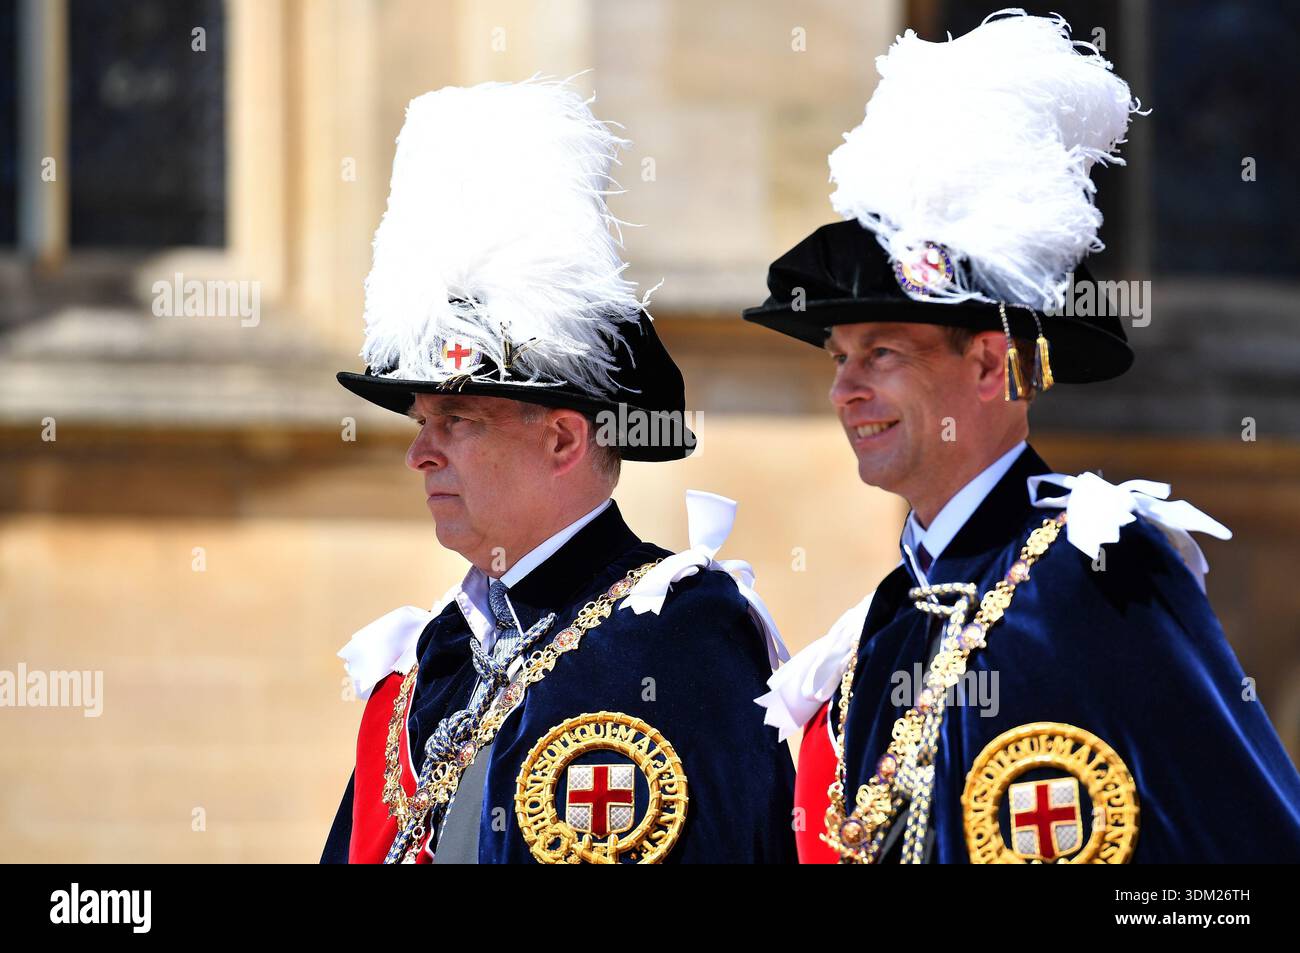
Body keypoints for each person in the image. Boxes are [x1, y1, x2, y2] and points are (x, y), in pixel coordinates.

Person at [750, 10, 1300, 863]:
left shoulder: (1101, 571)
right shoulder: (883, 626)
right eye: (840, 356)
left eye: (882, 353)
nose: (844, 387)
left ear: (989, 366)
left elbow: (1250, 852)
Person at [321, 77, 795, 864]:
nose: (420, 450)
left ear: (565, 441)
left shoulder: (675, 634)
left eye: (458, 420)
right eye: (422, 421)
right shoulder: (434, 654)